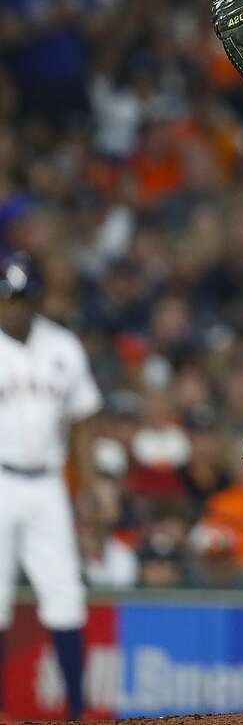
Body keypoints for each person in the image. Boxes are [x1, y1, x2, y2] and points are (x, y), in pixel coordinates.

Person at [0, 253, 102, 719]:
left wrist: (90, 490)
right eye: (6, 298)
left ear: (35, 299)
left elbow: (83, 422)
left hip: (48, 486)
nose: (13, 308)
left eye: (21, 298)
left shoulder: (62, 346)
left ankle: (77, 710)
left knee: (65, 598)